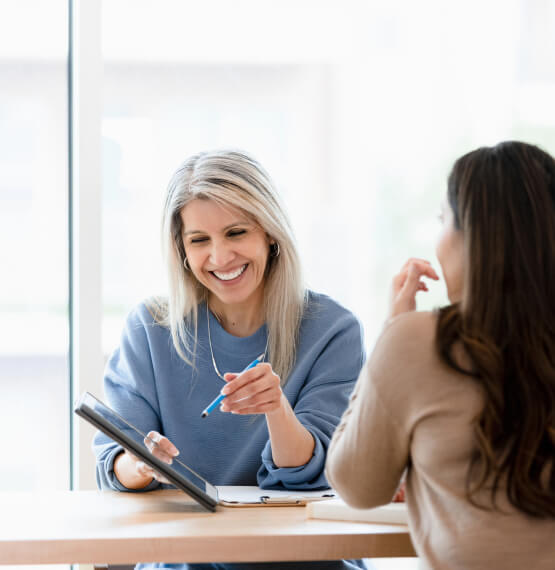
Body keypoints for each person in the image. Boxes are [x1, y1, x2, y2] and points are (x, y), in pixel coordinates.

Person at [94, 149, 367, 570]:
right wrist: (143, 463)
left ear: (270, 233)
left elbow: (314, 476)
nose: (220, 258)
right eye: (199, 240)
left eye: (236, 233)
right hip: (184, 562)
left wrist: (277, 409)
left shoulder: (332, 330)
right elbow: (113, 462)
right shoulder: (150, 328)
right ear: (181, 251)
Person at [326, 141, 555, 569]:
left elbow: (358, 486)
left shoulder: (418, 341)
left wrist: (392, 335)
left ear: (473, 236)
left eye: (442, 220)